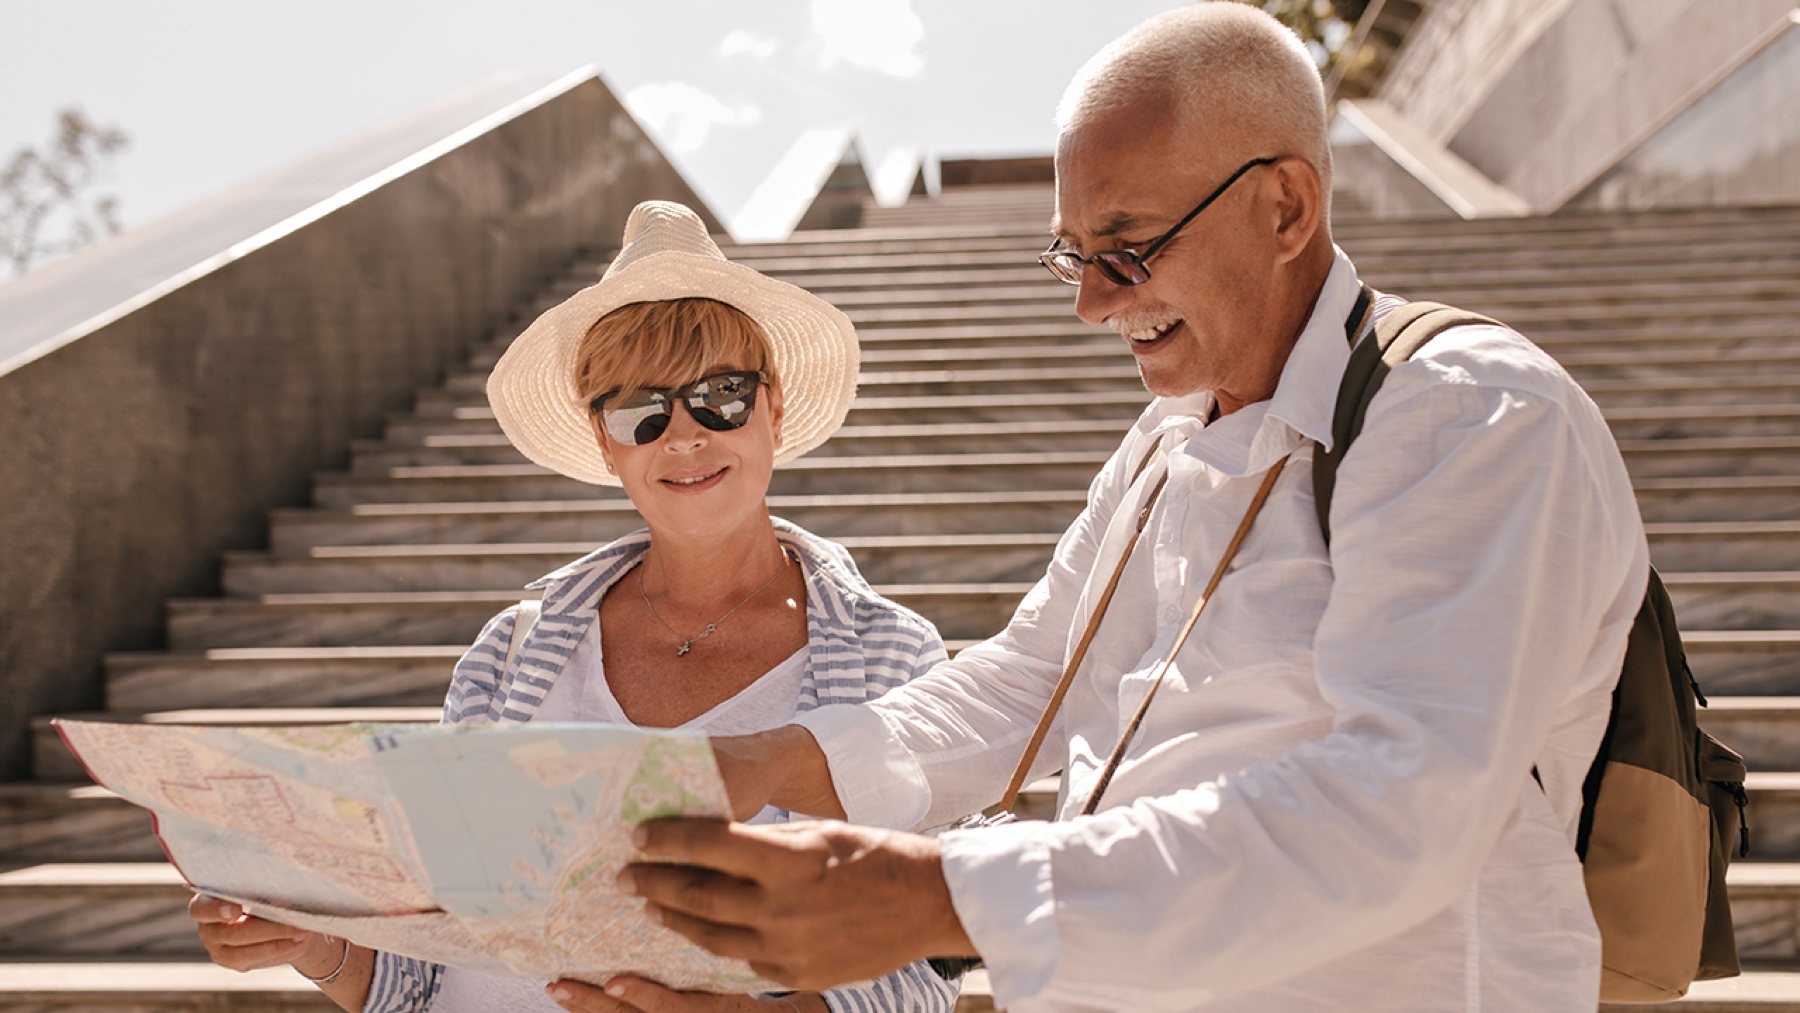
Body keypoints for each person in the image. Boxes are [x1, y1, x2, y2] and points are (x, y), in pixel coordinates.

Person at [596, 6, 1651, 1012]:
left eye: (1127, 247)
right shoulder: (1165, 438)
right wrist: (766, 759)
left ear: (1286, 207)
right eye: (1071, 253)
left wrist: (937, 893)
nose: (1092, 302)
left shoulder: (1472, 414)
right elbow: (1035, 680)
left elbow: (1402, 805)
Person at [185, 201, 962, 1013]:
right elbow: (426, 969)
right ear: (604, 441)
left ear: (775, 407)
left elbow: (928, 968)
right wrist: (318, 942)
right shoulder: (510, 650)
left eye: (721, 394)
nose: (684, 435)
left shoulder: (892, 657)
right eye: (640, 410)